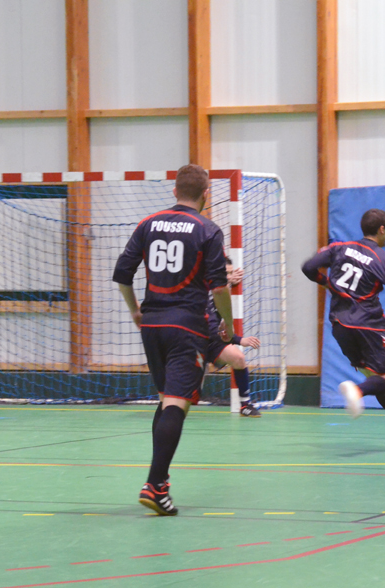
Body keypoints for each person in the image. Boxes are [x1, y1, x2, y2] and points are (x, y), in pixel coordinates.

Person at [114, 164, 233, 515]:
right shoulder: (208, 229)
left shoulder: (148, 223)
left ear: (174, 191)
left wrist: (135, 310)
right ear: (206, 195)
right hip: (187, 327)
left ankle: (160, 483)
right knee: (177, 405)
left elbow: (122, 274)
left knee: (167, 401)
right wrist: (227, 323)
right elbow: (219, 287)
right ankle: (154, 485)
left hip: (152, 326)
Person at [301, 208, 385, 446]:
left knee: (377, 381)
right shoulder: (384, 261)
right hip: (369, 327)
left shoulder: (339, 248)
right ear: (381, 229)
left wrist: (328, 284)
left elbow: (308, 267)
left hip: (339, 325)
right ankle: (357, 391)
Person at [204, 257, 262, 417]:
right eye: (226, 273)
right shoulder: (201, 291)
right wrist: (239, 340)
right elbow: (210, 330)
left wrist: (229, 282)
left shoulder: (221, 290)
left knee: (238, 358)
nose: (229, 277)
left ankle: (245, 405)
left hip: (212, 342)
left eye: (231, 273)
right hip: (194, 341)